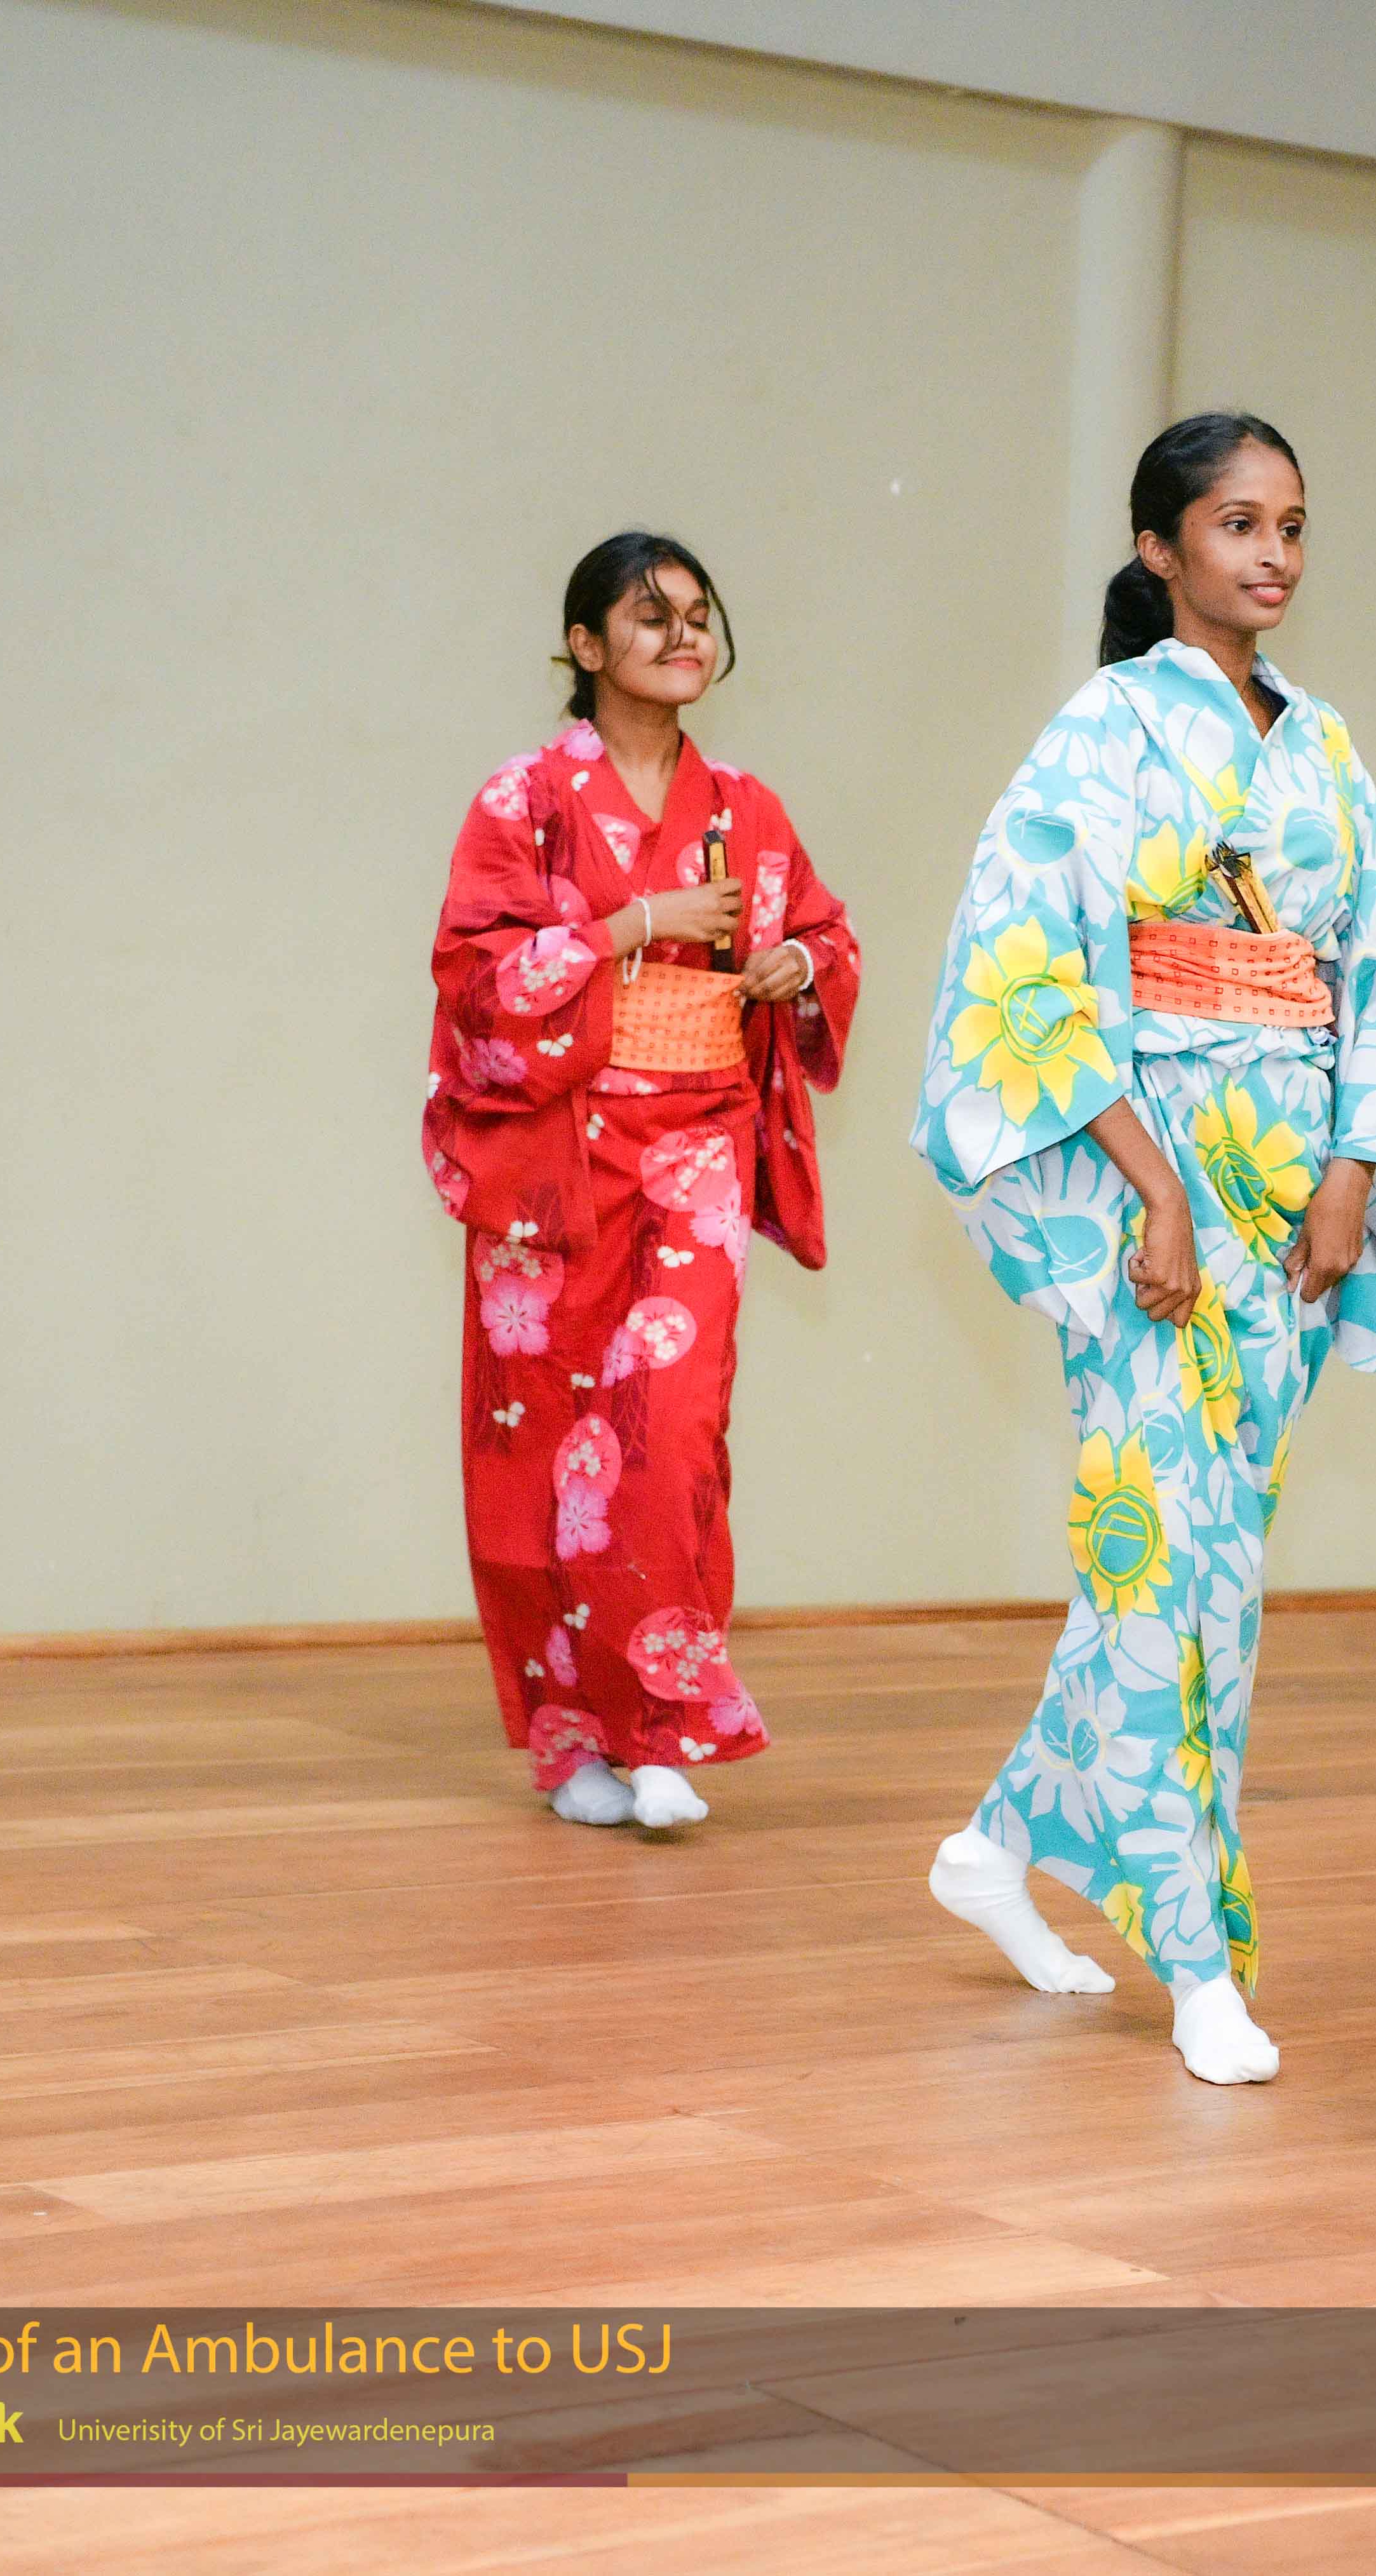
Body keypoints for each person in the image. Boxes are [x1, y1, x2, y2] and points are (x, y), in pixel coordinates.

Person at [912, 415, 1376, 2084]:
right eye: (1236, 524)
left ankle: (998, 1848)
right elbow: (1022, 971)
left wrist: (1355, 1170)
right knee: (1167, 1559)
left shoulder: (1326, 744)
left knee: (1203, 1563)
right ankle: (1197, 1950)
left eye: (1290, 524)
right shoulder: (1103, 731)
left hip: (1288, 1188)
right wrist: (1152, 1188)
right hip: (1144, 1185)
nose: (1271, 554)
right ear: (1160, 548)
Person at [421, 533, 859, 1830]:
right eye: (650, 614)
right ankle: (571, 1743)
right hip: (556, 1152)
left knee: (670, 1434)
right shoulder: (523, 800)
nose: (684, 636)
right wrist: (633, 926)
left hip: (697, 1144)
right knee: (541, 1441)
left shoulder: (747, 807)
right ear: (585, 644)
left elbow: (824, 934)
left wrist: (794, 968)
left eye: (699, 615)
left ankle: (660, 1726)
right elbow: (477, 976)